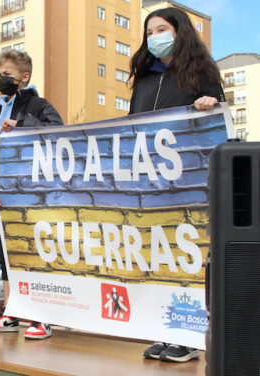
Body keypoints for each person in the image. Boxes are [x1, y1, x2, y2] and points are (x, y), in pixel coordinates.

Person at [128, 7, 224, 363]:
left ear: (179, 31)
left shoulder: (200, 72)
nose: (154, 37)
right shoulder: (144, 78)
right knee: (157, 259)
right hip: (150, 188)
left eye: (161, 29)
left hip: (189, 187)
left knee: (187, 259)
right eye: (149, 32)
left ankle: (188, 337)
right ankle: (164, 331)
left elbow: (219, 118)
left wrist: (210, 103)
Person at [0, 49, 63, 340]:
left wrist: (23, 125)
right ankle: (10, 313)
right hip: (0, 198)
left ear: (24, 77)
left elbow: (59, 132)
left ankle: (42, 318)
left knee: (34, 254)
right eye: (0, 75)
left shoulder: (38, 105)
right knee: (7, 257)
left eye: (8, 75)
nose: (2, 80)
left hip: (31, 195)